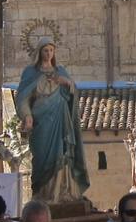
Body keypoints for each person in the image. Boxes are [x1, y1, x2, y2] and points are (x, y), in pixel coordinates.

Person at [15, 38, 91, 202]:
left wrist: (66, 82)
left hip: (60, 116)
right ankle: (43, 194)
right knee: (42, 158)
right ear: (39, 52)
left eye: (51, 50)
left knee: (62, 153)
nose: (48, 53)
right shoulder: (30, 72)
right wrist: (27, 115)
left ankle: (63, 193)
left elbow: (73, 93)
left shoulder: (60, 70)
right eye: (45, 50)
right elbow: (22, 97)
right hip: (41, 121)